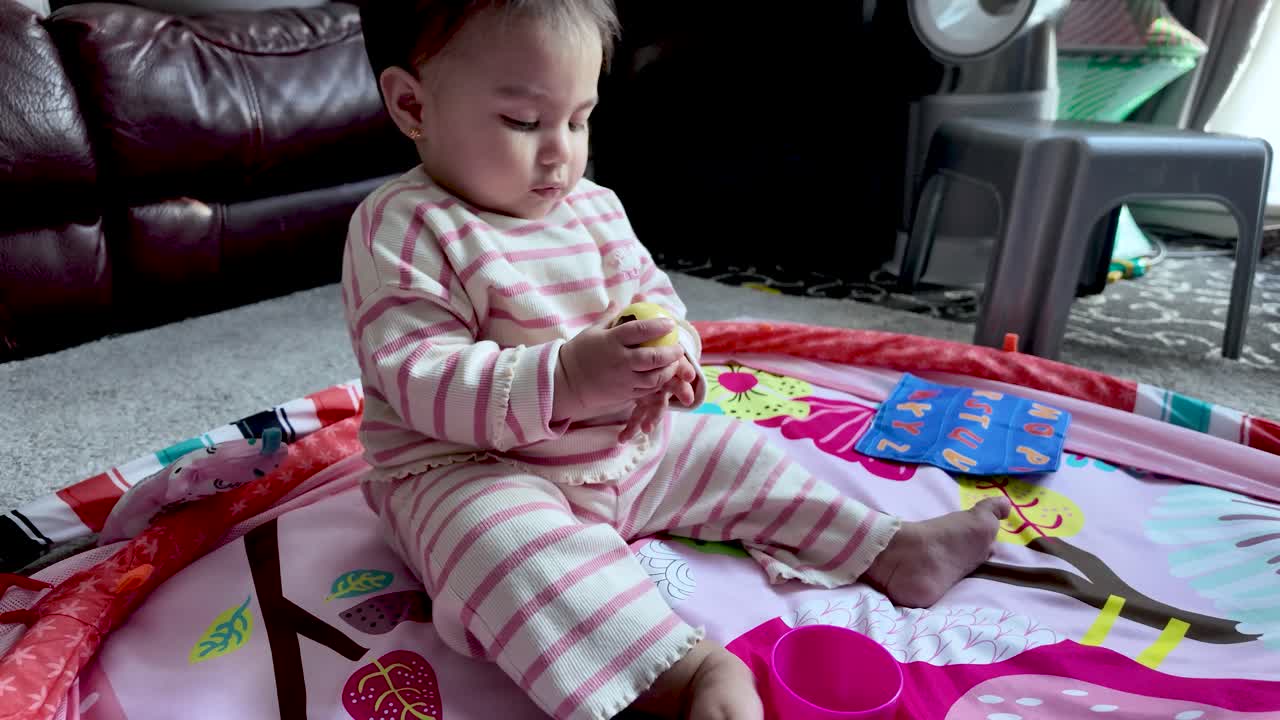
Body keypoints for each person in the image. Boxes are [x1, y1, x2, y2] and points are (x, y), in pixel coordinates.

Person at [344, 2, 1011, 718]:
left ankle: (887, 548)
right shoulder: (405, 226)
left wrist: (674, 353)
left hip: (623, 453)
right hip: (468, 470)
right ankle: (683, 674)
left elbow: (656, 300)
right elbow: (418, 376)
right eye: (523, 122)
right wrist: (564, 378)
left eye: (579, 119)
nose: (560, 153)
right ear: (413, 105)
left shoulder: (594, 208)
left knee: (734, 450)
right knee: (499, 549)